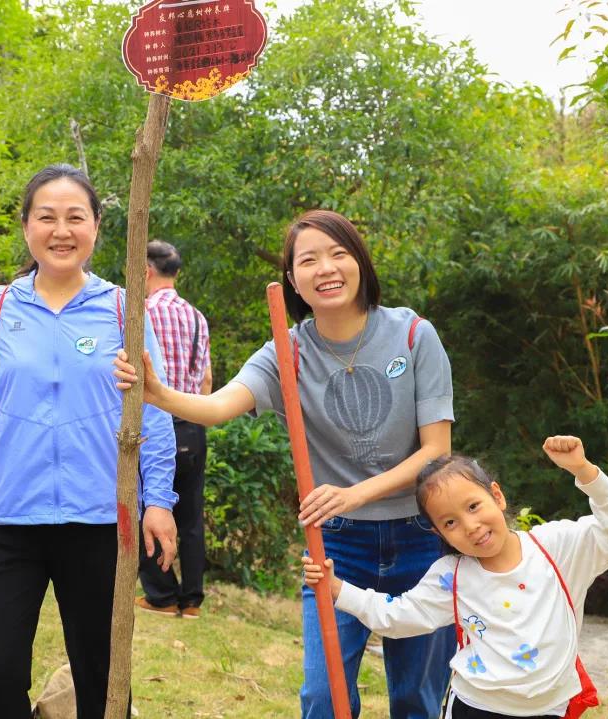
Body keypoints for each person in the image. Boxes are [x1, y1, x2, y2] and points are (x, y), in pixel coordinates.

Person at [114, 209, 455, 718]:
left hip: (422, 539)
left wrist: (355, 492)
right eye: (309, 260)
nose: (327, 268)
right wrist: (159, 393)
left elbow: (436, 454)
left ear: (359, 260)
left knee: (417, 700)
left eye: (338, 253)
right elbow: (218, 406)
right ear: (293, 279)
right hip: (336, 545)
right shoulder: (287, 351)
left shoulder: (413, 335)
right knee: (323, 698)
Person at [0, 164, 178, 719]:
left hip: (99, 518)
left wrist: (157, 500)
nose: (61, 230)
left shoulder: (122, 309)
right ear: (26, 228)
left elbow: (154, 412)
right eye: (47, 217)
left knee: (101, 676)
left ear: (95, 228)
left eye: (75, 217)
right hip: (7, 519)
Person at [302, 436, 608, 718]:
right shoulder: (451, 577)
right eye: (450, 522)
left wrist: (584, 471)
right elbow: (397, 616)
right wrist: (336, 588)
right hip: (475, 707)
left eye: (474, 506)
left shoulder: (557, 548)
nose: (470, 526)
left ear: (497, 496)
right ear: (439, 533)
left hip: (549, 708)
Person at [134, 239, 212, 619]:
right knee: (191, 516)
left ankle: (162, 596)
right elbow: (207, 380)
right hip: (194, 423)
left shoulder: (140, 313)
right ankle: (193, 599)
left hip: (155, 425)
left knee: (147, 503)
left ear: (145, 271)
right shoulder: (197, 317)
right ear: (176, 272)